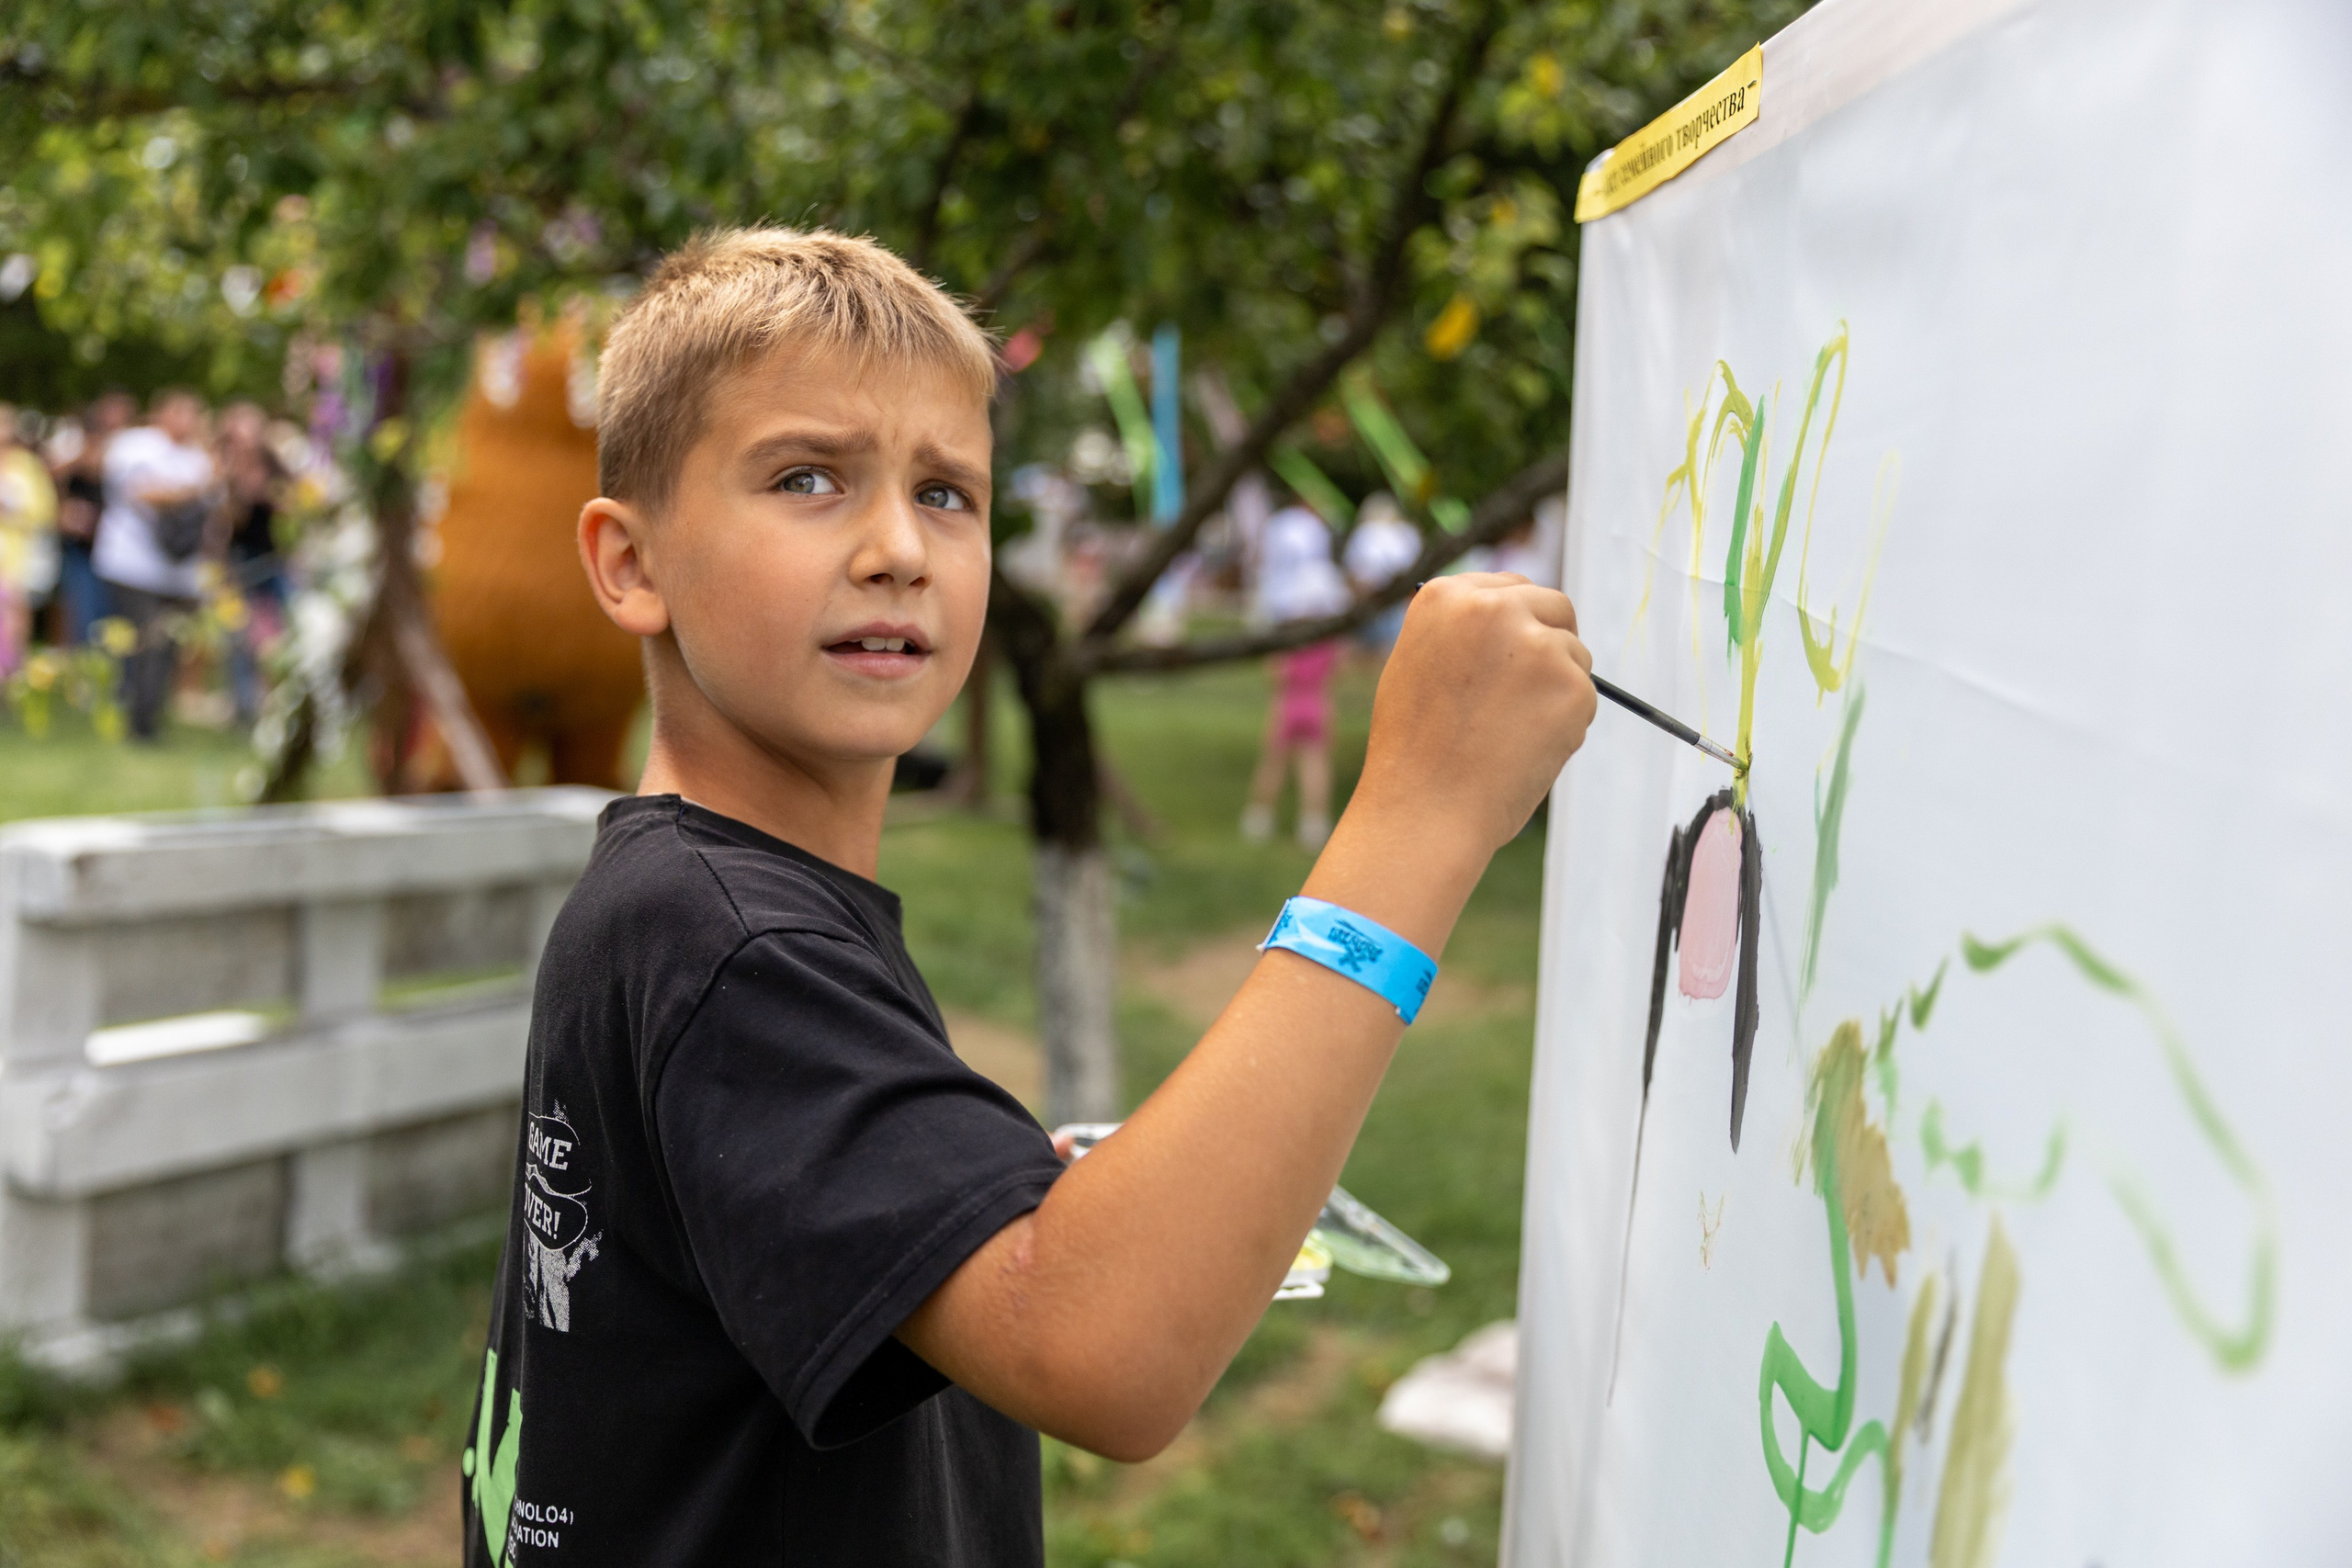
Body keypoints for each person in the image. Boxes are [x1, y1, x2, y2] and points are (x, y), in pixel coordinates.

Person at [462, 227, 1593, 1566]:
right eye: (807, 476)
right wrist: (1421, 814)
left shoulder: (700, 901)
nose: (897, 546)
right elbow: (1103, 1350)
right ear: (629, 563)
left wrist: (991, 1202)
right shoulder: (726, 937)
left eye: (948, 492)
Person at [95, 389, 214, 740]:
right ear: (161, 412)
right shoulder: (134, 445)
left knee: (170, 645)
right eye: (182, 411)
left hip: (179, 571)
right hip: (132, 564)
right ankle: (138, 722)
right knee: (148, 641)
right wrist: (193, 489)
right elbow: (140, 491)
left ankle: (150, 715)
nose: (189, 420)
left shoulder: (196, 456)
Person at [1242, 495, 1351, 848]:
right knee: (1315, 765)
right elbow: (1339, 669)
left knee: (1274, 763)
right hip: (1319, 705)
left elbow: (1276, 673)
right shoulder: (1330, 642)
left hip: (1287, 705)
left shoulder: (1289, 639)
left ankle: (1259, 816)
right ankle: (1313, 822)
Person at [214, 401, 287, 724]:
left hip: (275, 559)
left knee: (275, 634)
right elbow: (227, 522)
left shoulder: (276, 465)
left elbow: (292, 507)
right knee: (241, 636)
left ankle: (275, 702)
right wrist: (239, 489)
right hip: (240, 560)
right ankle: (244, 707)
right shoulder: (223, 469)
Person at [48, 389, 133, 645]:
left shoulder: (135, 446)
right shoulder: (78, 441)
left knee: (116, 617)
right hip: (83, 546)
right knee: (81, 612)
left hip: (121, 547)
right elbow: (54, 473)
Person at [0, 405, 60, 679]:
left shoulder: (27, 465)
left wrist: (14, 512)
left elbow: (46, 511)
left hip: (15, 555)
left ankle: (10, 678)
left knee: (14, 620)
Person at [1341, 490, 1420, 660]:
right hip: (1396, 601)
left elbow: (1353, 573)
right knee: (1390, 651)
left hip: (1373, 599)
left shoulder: (1365, 532)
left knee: (1364, 652)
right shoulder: (1405, 533)